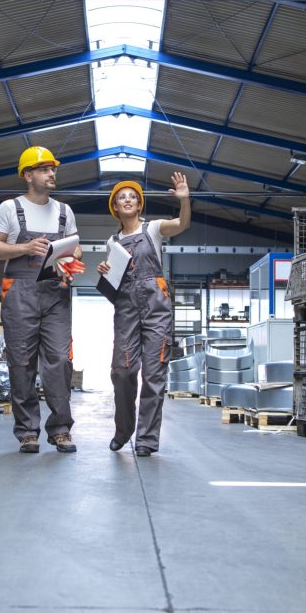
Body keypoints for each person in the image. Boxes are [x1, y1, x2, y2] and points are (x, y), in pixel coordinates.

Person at [0, 146, 84, 454]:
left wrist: (68, 260)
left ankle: (60, 429)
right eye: (44, 169)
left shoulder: (65, 211)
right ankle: (28, 431)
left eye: (53, 168)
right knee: (22, 363)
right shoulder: (9, 208)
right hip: (19, 292)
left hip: (55, 293)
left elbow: (77, 249)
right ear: (28, 175)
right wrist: (26, 249)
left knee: (59, 361)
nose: (51, 173)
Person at [96, 173, 191, 456]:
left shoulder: (153, 229)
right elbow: (113, 282)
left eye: (133, 197)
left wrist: (184, 201)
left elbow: (182, 224)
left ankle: (147, 439)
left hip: (156, 309)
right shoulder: (112, 242)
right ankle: (124, 430)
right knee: (122, 372)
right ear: (115, 206)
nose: (127, 200)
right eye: (121, 197)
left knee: (153, 376)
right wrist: (104, 270)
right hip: (126, 309)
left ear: (139, 205)